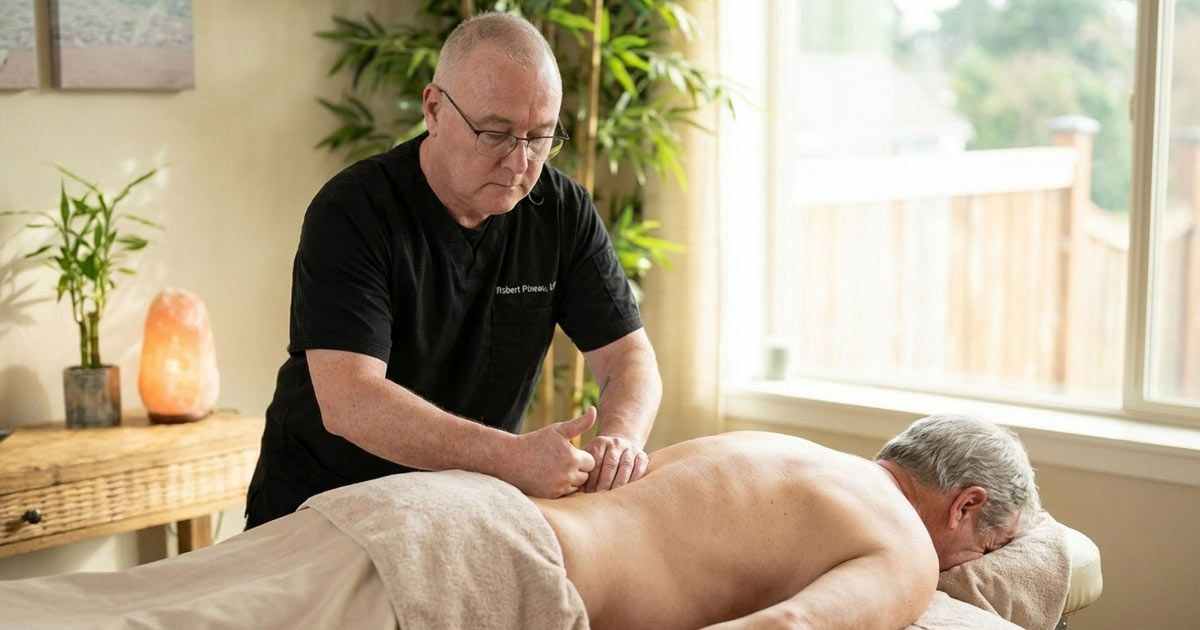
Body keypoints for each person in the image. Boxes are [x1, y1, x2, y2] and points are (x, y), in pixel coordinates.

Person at [0, 415, 1038, 629]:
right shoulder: (904, 545)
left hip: (429, 511)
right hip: (484, 576)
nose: (959, 576)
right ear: (965, 508)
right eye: (978, 557)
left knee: (109, 604)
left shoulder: (765, 446)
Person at [245, 12, 662, 528]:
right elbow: (350, 400)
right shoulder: (353, 210)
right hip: (321, 507)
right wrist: (511, 458)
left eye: (539, 137)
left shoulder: (560, 210)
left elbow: (629, 358)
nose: (519, 163)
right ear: (435, 110)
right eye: (495, 134)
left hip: (457, 515)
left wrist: (618, 440)